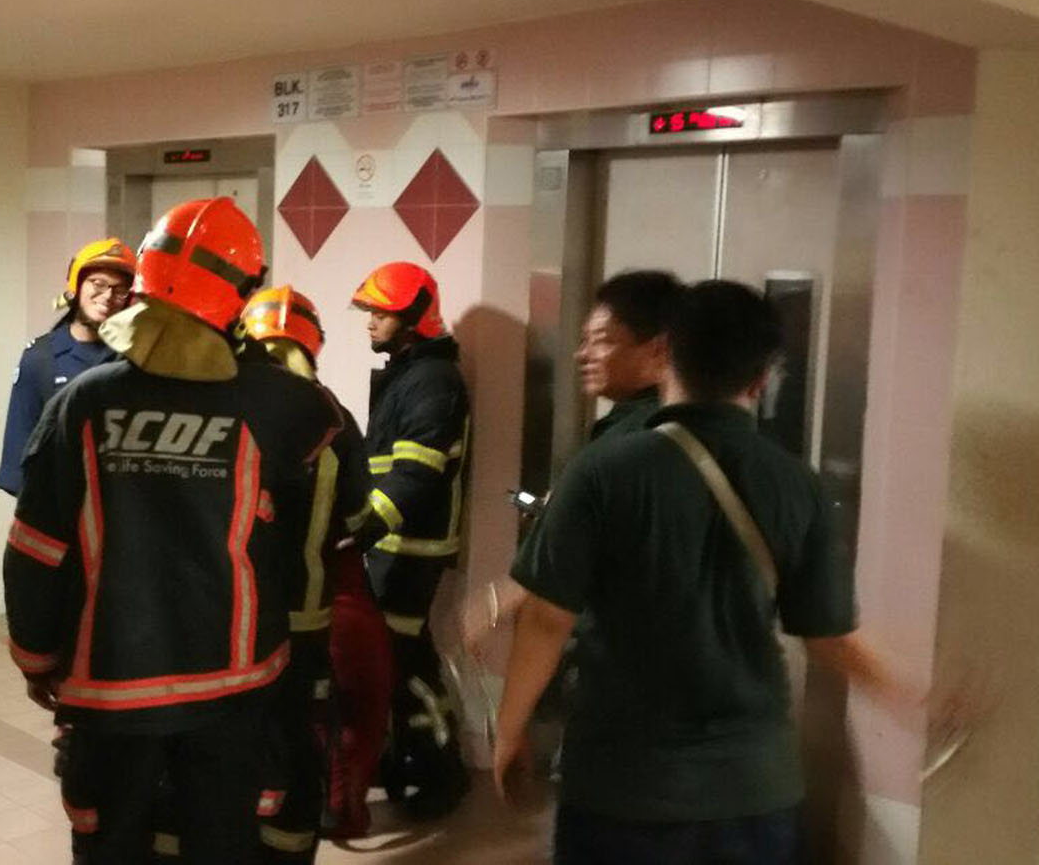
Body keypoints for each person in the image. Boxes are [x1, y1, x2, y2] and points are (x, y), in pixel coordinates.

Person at [494, 280, 923, 864]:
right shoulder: (798, 485)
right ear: (761, 379)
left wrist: (511, 727)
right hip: (754, 790)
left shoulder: (602, 470)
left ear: (665, 354)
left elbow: (547, 618)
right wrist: (916, 696)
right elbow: (829, 639)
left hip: (624, 785)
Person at [4, 198, 342, 865]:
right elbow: (321, 426)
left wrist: (35, 656)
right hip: (233, 684)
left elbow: (36, 549)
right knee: (221, 844)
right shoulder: (276, 403)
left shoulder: (82, 402)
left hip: (109, 686)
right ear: (240, 293)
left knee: (110, 845)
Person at [461, 270, 682, 657]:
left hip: (621, 650)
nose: (582, 354)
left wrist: (496, 603)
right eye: (584, 340)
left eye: (602, 341)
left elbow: (577, 549)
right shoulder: (650, 429)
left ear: (658, 349)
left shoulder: (635, 440)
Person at [239, 285, 371, 861]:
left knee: (236, 746)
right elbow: (360, 519)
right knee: (298, 746)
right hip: (307, 617)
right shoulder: (335, 419)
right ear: (312, 346)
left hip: (236, 620)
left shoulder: (231, 409)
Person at [347, 261, 471, 819]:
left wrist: (363, 528)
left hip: (410, 546)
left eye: (382, 312)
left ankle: (442, 768)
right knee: (399, 657)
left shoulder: (432, 380)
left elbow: (416, 473)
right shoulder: (412, 374)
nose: (370, 322)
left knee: (403, 661)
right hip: (397, 544)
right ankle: (412, 759)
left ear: (415, 317)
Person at [0, 238, 136, 497]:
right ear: (77, 286)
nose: (108, 296)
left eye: (120, 290)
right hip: (58, 508)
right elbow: (19, 462)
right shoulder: (40, 358)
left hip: (124, 507)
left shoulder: (137, 359)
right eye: (98, 283)